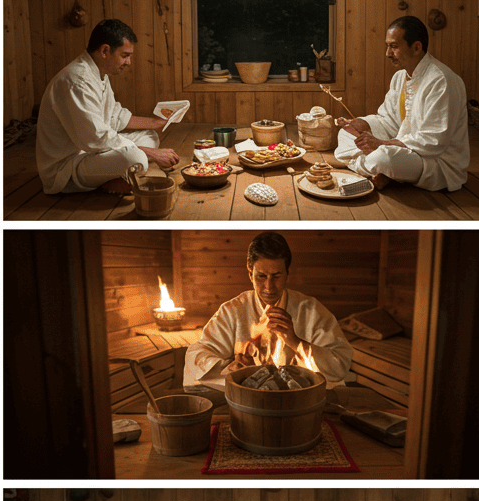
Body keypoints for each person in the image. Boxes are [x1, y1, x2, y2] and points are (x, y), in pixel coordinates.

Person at [183, 233, 353, 391]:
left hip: (297, 400)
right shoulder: (233, 311)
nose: (269, 287)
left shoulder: (311, 311)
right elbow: (196, 356)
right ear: (250, 274)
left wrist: (296, 342)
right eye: (261, 277)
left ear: (287, 273)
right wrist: (232, 369)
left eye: (277, 276)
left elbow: (340, 363)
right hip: (248, 402)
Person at [36, 19, 180, 195]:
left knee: (148, 135)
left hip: (91, 151)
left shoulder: (98, 72)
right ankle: (108, 179)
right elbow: (95, 138)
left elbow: (114, 116)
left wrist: (155, 122)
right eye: (125, 55)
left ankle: (113, 176)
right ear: (105, 50)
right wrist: (151, 153)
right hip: (67, 166)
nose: (128, 62)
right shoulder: (77, 81)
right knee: (136, 157)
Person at [332, 16, 469, 192]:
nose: (388, 53)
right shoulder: (399, 77)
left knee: (386, 158)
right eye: (387, 46)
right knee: (346, 135)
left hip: (435, 162)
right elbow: (389, 120)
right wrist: (362, 124)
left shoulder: (441, 80)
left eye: (394, 47)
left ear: (417, 47)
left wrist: (382, 144)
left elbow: (434, 141)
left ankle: (378, 168)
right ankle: (384, 172)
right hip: (402, 146)